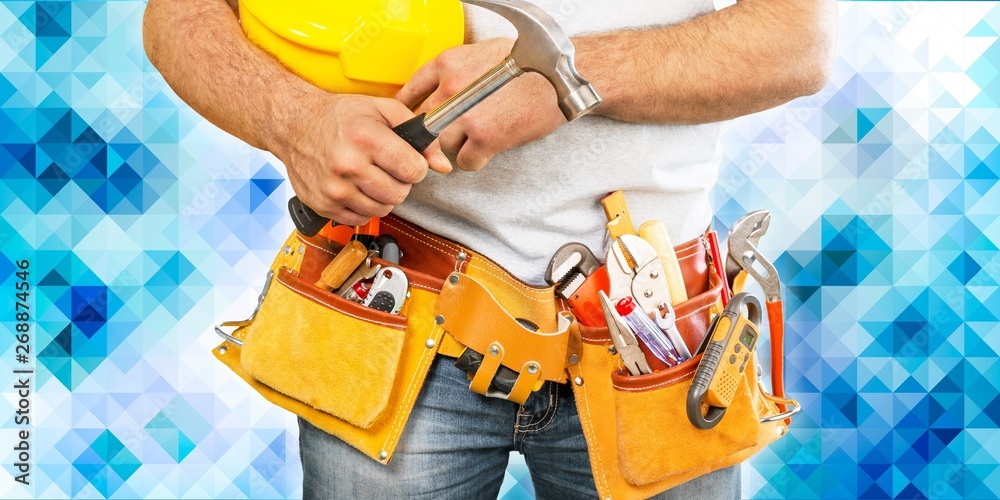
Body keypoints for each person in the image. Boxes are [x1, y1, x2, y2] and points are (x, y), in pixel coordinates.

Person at [144, 0, 836, 497]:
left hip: (654, 344)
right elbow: (179, 13)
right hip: (398, 316)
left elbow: (798, 40)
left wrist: (568, 76)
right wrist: (292, 119)